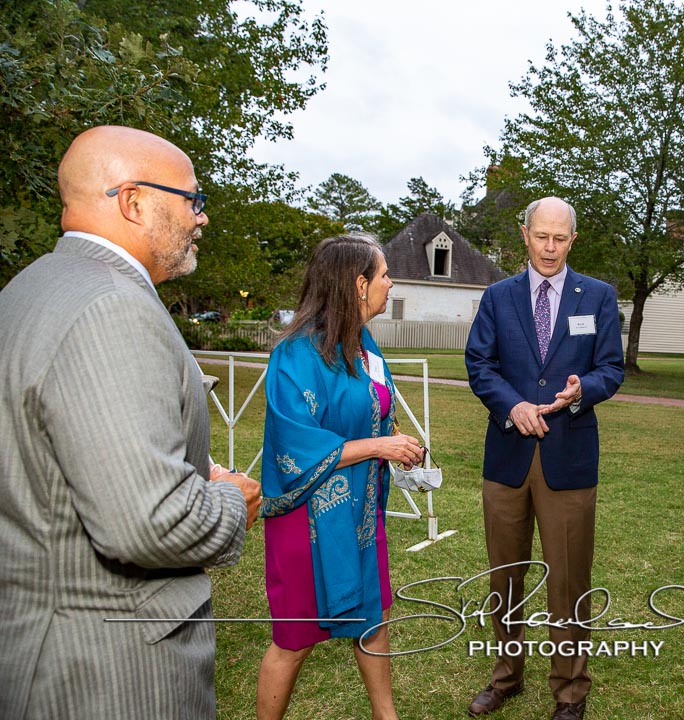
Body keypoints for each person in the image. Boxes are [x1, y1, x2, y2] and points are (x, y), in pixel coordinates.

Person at [0, 125, 262, 719]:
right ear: (134, 201)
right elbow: (147, 525)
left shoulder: (33, 286)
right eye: (192, 199)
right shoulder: (111, 307)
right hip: (103, 671)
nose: (201, 218)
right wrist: (225, 500)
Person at [464, 197, 624, 720]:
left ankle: (571, 692)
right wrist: (513, 405)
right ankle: (506, 677)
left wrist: (583, 390)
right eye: (542, 237)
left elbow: (611, 369)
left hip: (569, 458)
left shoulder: (598, 296)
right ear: (525, 235)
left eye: (560, 238)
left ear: (572, 240)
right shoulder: (497, 296)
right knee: (505, 577)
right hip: (507, 456)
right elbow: (479, 362)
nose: (550, 248)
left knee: (569, 580)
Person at [256, 234, 424, 720]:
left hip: (362, 513)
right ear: (357, 284)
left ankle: (385, 715)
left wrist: (394, 438)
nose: (391, 283)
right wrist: (378, 446)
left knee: (374, 618)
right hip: (307, 521)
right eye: (385, 274)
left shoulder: (364, 345)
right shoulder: (296, 355)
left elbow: (371, 408)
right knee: (295, 639)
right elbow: (295, 446)